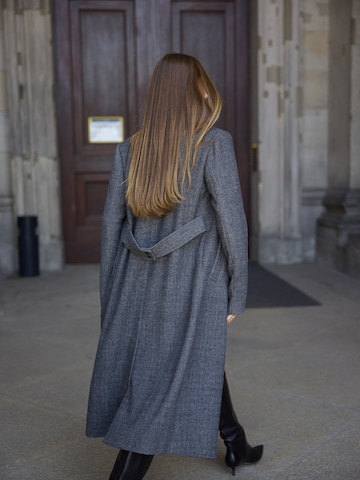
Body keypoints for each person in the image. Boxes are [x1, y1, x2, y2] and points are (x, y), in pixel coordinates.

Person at [86, 52, 263, 479]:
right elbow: (232, 223)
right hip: (194, 284)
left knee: (196, 356)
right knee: (154, 388)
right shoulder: (214, 143)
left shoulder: (131, 149)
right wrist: (238, 289)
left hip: (135, 282)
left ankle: (234, 441)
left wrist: (110, 294)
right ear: (198, 88)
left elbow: (112, 226)